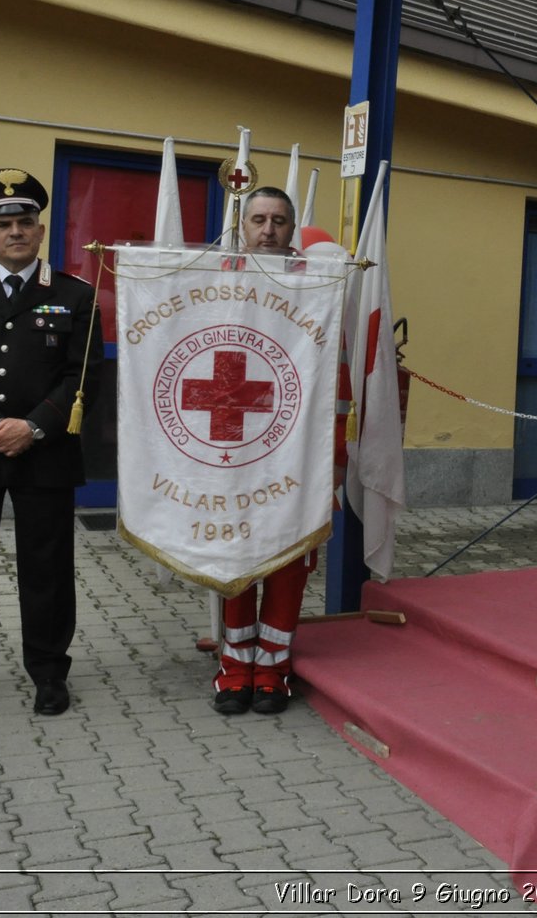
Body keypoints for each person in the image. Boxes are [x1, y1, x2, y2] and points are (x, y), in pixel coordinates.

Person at [0, 167, 103, 716]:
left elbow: (81, 376)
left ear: (40, 231)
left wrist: (32, 426)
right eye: (3, 223)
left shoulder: (75, 295)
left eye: (25, 222)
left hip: (46, 454)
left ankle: (48, 673)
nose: (15, 231)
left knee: (47, 570)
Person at [211, 187, 314, 716]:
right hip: (231, 441)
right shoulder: (215, 286)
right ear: (242, 227)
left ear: (292, 230)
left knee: (287, 558)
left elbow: (332, 380)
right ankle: (234, 665)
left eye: (278, 220)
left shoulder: (317, 290)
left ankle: (273, 664)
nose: (268, 229)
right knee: (236, 556)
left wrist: (333, 456)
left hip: (295, 450)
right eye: (258, 219)